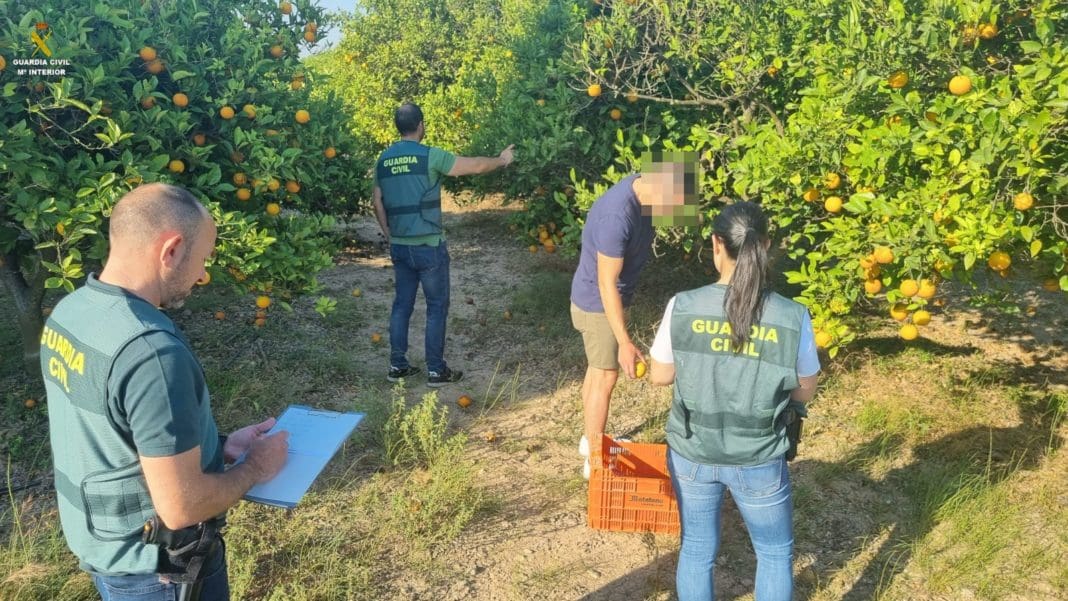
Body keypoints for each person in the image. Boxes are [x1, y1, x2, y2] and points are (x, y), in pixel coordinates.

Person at [40, 183, 290, 601]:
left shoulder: (73, 311)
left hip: (107, 553)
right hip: (158, 575)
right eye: (203, 258)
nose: (203, 275)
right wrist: (254, 469)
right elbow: (182, 507)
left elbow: (116, 433)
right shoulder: (151, 353)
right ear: (171, 250)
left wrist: (222, 446)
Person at [646, 201, 820, 601]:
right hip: (759, 456)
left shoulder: (683, 305)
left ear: (716, 244)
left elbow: (660, 375)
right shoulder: (793, 315)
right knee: (774, 553)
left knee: (696, 549)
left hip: (692, 452)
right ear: (767, 245)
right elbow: (804, 390)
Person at [571, 152, 699, 478]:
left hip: (605, 297)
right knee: (606, 376)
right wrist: (625, 341)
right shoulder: (618, 215)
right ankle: (596, 463)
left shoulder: (646, 198)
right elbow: (606, 282)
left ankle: (590, 440)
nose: (673, 211)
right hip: (597, 301)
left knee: (597, 370)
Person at [372, 102, 515, 387]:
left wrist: (389, 235)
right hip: (429, 247)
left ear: (398, 127)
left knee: (402, 305)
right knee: (437, 306)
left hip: (400, 246)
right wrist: (501, 160)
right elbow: (472, 166)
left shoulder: (384, 160)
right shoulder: (429, 156)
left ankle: (398, 366)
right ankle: (436, 371)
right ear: (421, 125)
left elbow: (376, 202)